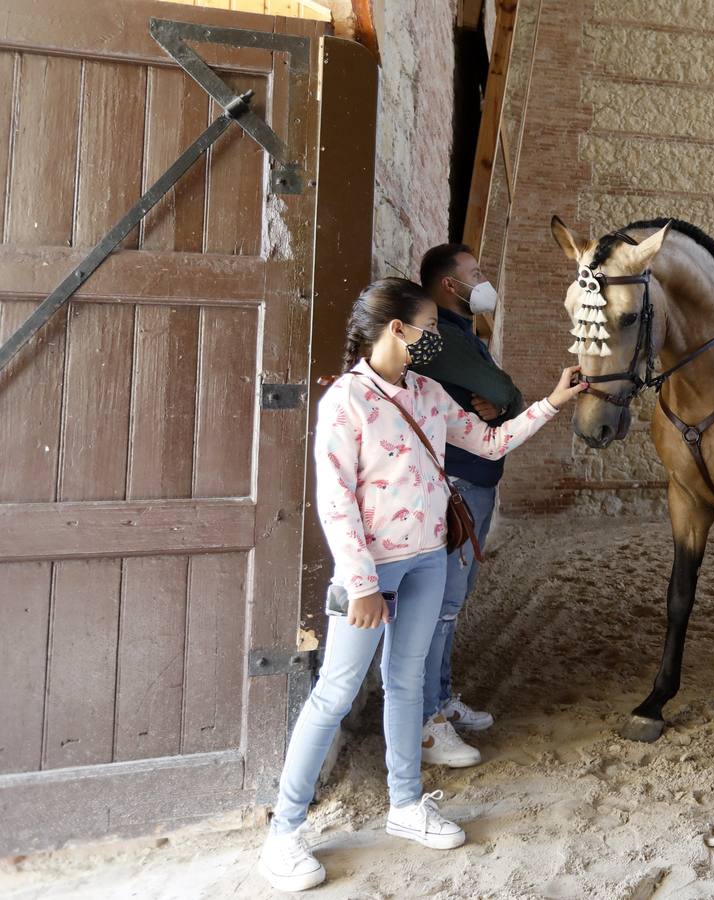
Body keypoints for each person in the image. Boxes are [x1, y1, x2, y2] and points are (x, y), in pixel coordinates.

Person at [258, 278, 585, 893]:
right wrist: (359, 585)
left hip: (429, 559)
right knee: (335, 692)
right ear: (397, 329)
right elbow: (335, 503)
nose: (437, 338)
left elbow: (487, 442)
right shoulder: (346, 402)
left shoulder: (429, 394)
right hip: (371, 573)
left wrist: (551, 403)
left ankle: (406, 805)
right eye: (429, 327)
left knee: (405, 685)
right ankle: (284, 833)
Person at [411, 242, 521, 768]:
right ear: (447, 285)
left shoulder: (463, 334)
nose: (484, 280)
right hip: (457, 482)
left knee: (453, 603)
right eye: (474, 273)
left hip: (474, 480)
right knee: (443, 603)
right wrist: (507, 400)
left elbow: (498, 395)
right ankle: (427, 722)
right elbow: (500, 388)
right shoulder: (445, 339)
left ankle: (443, 699)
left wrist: (502, 401)